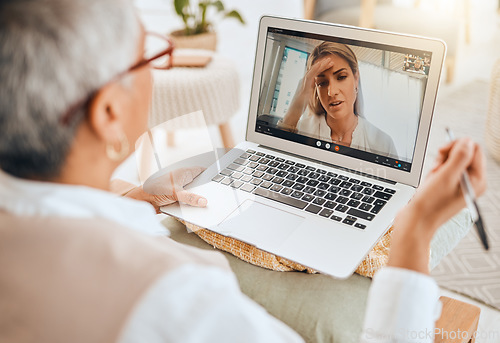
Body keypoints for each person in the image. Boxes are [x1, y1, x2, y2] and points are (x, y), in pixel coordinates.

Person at [0, 1, 487, 342]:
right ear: (107, 113)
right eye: (150, 54)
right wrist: (416, 231)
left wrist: (136, 197)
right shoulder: (182, 298)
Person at [278, 41, 399, 159]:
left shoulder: (383, 144)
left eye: (341, 77)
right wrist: (293, 113)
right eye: (322, 83)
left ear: (356, 79)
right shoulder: (301, 131)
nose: (331, 92)